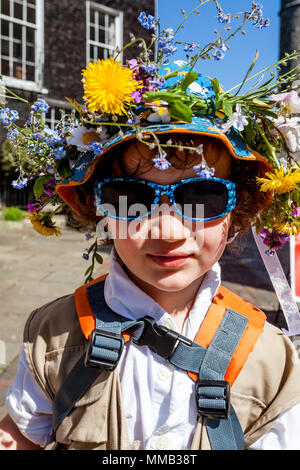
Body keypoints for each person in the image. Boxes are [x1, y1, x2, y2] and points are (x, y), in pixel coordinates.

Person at [1, 5, 300, 451]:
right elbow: (21, 435)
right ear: (99, 208)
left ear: (237, 212)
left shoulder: (269, 358)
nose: (166, 230)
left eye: (202, 197)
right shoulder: (54, 334)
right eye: (130, 198)